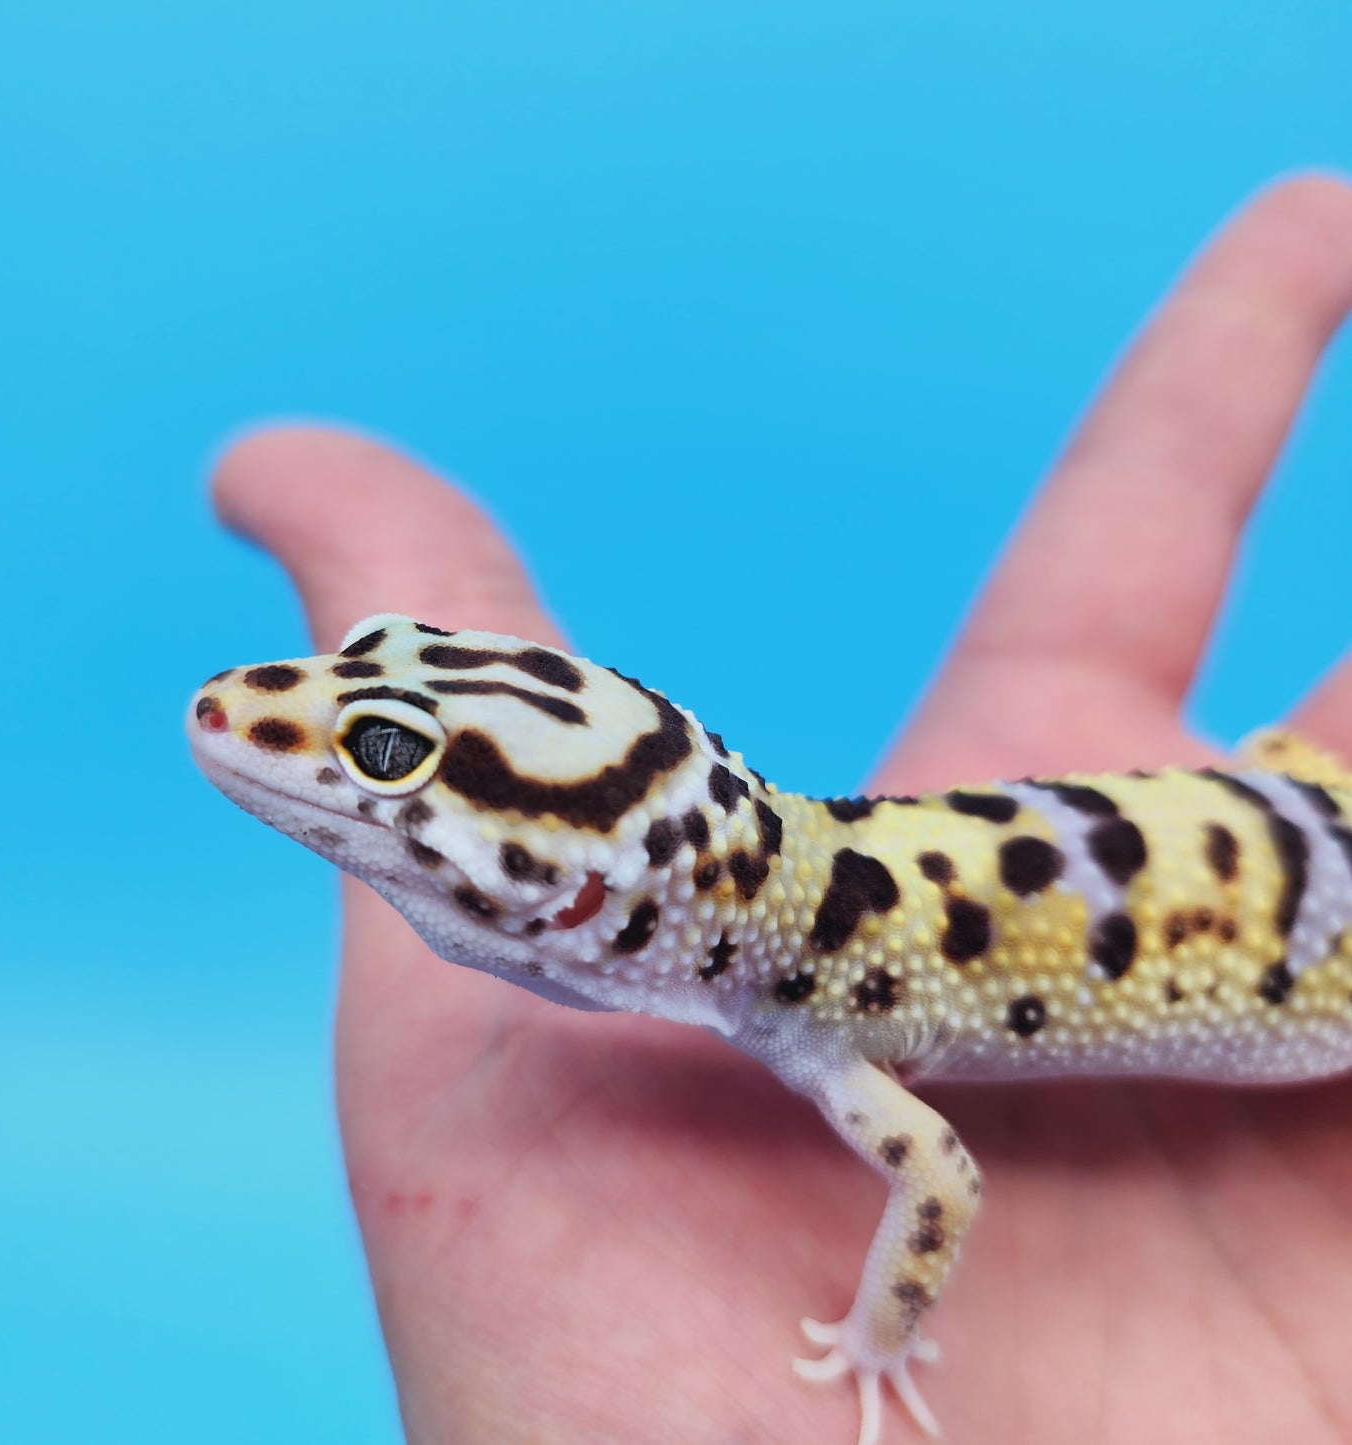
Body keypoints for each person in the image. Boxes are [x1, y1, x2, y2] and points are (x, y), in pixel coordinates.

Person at [211, 176, 1352, 1444]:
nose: (255, 720)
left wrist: (881, 1340)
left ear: (583, 887)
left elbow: (941, 1173)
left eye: (382, 749)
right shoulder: (790, 950)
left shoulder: (812, 1012)